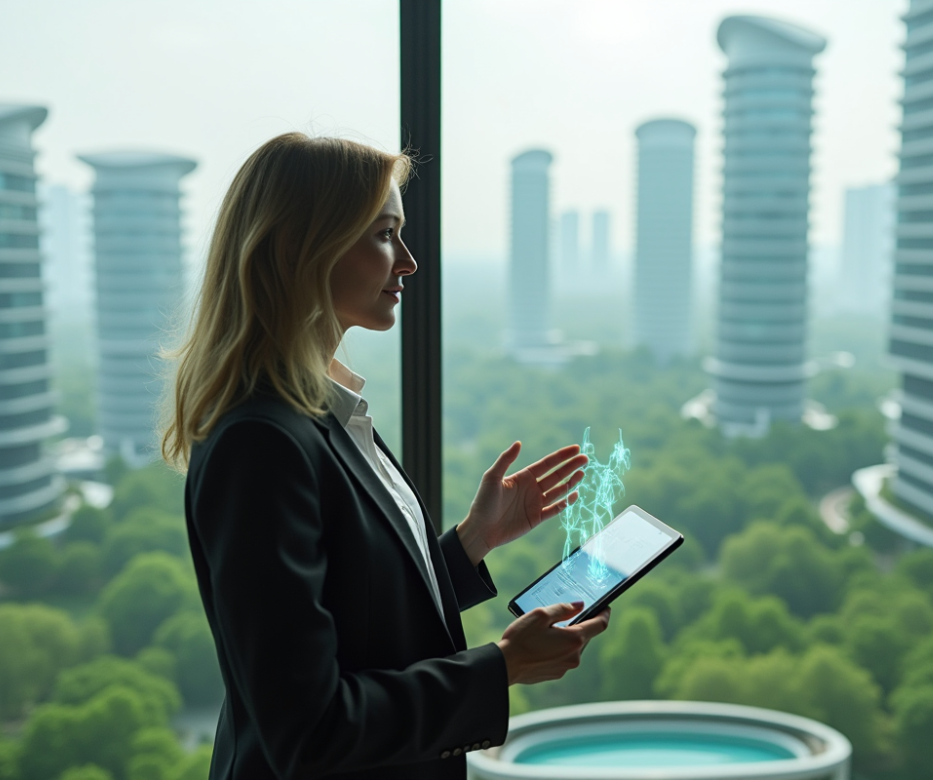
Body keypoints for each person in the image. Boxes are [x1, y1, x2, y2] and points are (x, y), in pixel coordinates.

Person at [160, 133, 611, 780]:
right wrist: (501, 666)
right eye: (383, 235)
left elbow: (358, 620)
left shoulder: (328, 411)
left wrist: (468, 545)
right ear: (298, 248)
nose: (409, 262)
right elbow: (309, 727)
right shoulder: (260, 445)